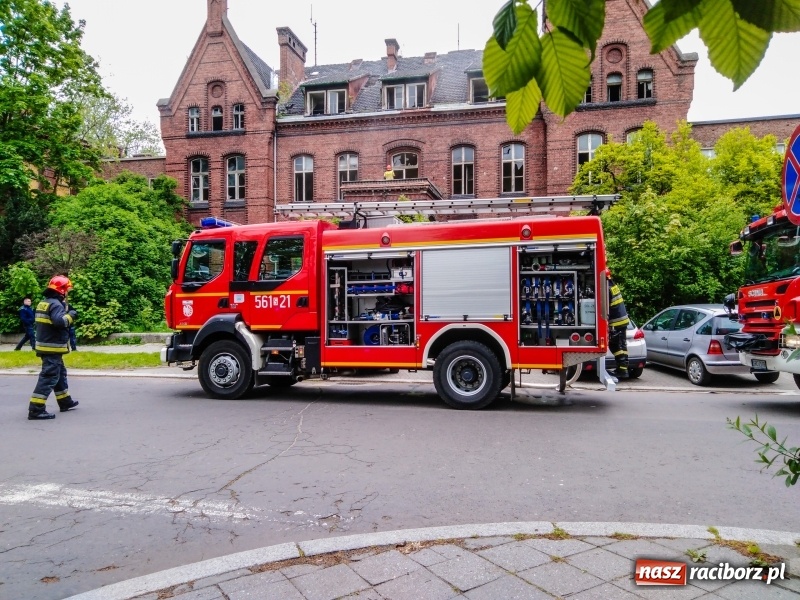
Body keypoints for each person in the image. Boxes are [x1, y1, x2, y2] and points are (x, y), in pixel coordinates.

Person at [27, 275, 79, 420]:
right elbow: (60, 322)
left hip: (45, 346)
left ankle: (64, 401)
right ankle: (36, 409)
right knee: (49, 376)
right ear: (61, 290)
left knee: (59, 373)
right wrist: (72, 315)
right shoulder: (56, 305)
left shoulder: (44, 303)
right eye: (66, 290)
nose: (67, 293)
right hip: (52, 347)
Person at [607, 269, 630, 379]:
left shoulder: (607, 287)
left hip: (617, 321)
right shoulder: (612, 285)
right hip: (621, 320)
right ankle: (622, 369)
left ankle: (622, 371)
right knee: (621, 345)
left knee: (617, 345)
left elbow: (605, 305)